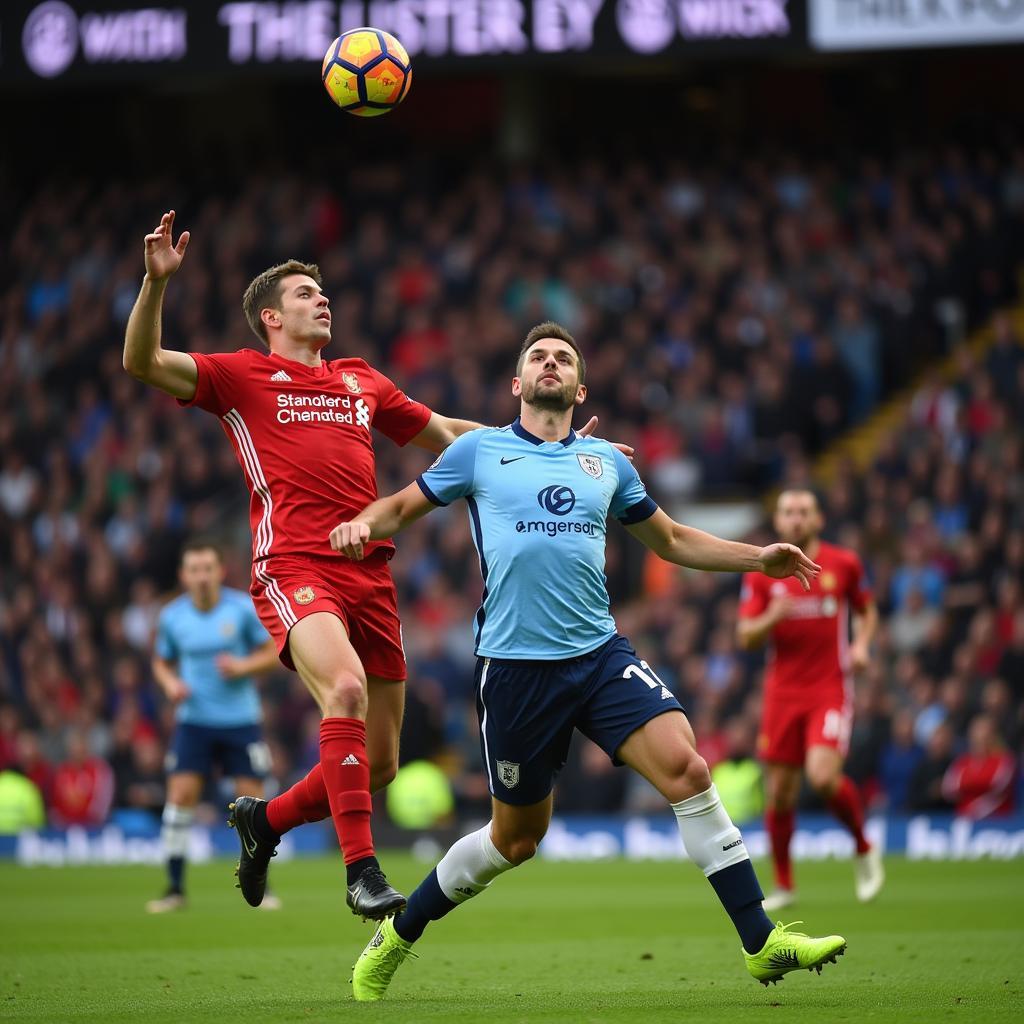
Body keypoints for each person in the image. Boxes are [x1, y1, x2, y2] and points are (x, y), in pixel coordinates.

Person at [124, 211, 621, 919]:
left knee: (379, 765)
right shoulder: (240, 376)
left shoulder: (362, 381)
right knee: (346, 691)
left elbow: (452, 435)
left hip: (370, 574)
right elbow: (142, 363)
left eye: (321, 292)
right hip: (295, 562)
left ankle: (262, 824)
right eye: (303, 293)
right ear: (270, 316)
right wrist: (154, 284)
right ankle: (361, 872)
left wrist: (561, 447)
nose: (320, 299)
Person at [330, 323, 846, 1000]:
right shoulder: (479, 451)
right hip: (516, 672)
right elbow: (401, 506)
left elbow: (669, 539)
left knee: (688, 768)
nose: (551, 363)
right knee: (515, 840)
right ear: (517, 384)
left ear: (580, 386)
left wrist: (760, 557)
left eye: (563, 358)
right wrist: (363, 524)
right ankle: (396, 937)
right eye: (538, 357)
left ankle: (761, 941)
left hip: (599, 654)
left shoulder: (608, 462)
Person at [736, 489, 883, 910]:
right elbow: (745, 637)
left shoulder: (844, 564)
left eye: (804, 512)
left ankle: (862, 845)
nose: (796, 519)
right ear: (779, 522)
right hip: (781, 693)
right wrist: (772, 617)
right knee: (780, 792)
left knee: (822, 777)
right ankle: (785, 885)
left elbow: (867, 610)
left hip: (829, 688)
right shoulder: (762, 571)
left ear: (818, 519)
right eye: (788, 512)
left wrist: (861, 645)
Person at [145, 539, 281, 914]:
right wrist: (171, 684)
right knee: (179, 800)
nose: (202, 576)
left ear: (220, 571)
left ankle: (263, 888)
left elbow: (273, 652)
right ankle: (174, 889)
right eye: (194, 569)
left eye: (208, 568)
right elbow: (160, 661)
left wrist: (242, 667)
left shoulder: (240, 609)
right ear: (183, 575)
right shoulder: (172, 616)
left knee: (253, 806)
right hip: (195, 723)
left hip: (241, 721)